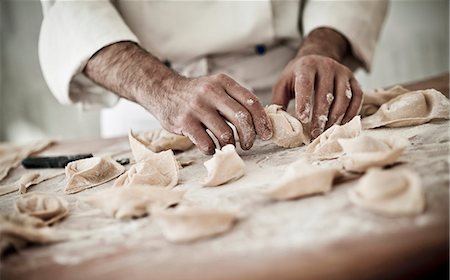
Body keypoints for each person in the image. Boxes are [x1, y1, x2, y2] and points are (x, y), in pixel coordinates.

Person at [39, 0, 388, 154]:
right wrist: (163, 89)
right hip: (150, 106)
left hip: (290, 91)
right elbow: (72, 10)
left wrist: (322, 47)